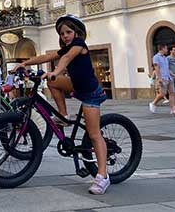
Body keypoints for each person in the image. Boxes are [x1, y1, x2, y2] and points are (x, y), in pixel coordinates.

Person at [17, 15, 110, 195]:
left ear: (76, 32)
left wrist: (54, 72)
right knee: (54, 83)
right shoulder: (66, 47)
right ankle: (64, 116)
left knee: (94, 134)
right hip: (76, 85)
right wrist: (25, 63)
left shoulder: (79, 46)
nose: (65, 36)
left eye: (68, 32)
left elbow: (66, 58)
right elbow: (47, 56)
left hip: (91, 94)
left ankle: (103, 176)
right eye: (62, 33)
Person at [148, 44, 175, 118]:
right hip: (162, 77)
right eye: (166, 48)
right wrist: (159, 78)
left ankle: (173, 109)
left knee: (172, 93)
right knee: (163, 93)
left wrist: (174, 76)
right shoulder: (156, 57)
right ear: (162, 49)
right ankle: (153, 103)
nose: (167, 50)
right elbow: (157, 68)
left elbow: (167, 69)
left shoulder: (165, 58)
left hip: (169, 78)